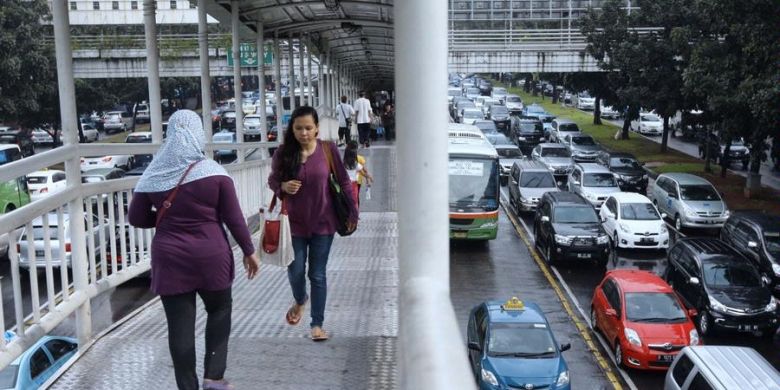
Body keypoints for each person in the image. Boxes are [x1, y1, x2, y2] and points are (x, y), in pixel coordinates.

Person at [128, 110, 260, 390]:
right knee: (220, 310)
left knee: (179, 327)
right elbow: (233, 218)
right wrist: (249, 251)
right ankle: (214, 378)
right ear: (199, 133)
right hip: (211, 256)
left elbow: (137, 218)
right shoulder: (215, 173)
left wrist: (166, 222)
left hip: (170, 258)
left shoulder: (153, 173)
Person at [268, 106, 358, 341]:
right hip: (294, 225)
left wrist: (353, 211)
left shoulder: (328, 151)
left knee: (317, 274)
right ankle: (300, 300)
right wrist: (282, 187)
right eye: (299, 128)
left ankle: (317, 324)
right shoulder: (284, 153)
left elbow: (344, 182)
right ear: (292, 129)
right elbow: (273, 179)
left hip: (323, 223)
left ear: (317, 128)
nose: (304, 133)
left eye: (308, 128)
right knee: (295, 270)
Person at [343, 141, 373, 207]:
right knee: (355, 198)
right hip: (356, 183)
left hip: (346, 184)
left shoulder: (344, 163)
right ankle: (355, 212)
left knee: (348, 199)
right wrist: (369, 178)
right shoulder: (358, 161)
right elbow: (364, 171)